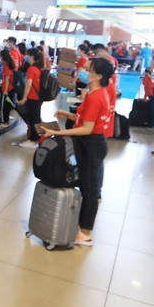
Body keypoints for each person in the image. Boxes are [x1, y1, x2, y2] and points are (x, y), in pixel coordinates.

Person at [43, 57, 115, 247]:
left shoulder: (95, 96)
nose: (84, 70)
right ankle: (81, 227)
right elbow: (85, 118)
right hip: (90, 142)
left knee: (90, 190)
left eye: (88, 69)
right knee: (85, 186)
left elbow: (87, 129)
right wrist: (68, 115)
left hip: (92, 144)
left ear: (98, 76)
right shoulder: (97, 93)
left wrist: (57, 132)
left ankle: (85, 234)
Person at [16, 47, 44, 148]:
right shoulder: (39, 68)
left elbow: (28, 85)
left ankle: (33, 140)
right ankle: (38, 138)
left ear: (31, 56)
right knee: (36, 118)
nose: (26, 58)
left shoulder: (32, 69)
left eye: (27, 56)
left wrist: (24, 98)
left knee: (33, 120)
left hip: (33, 98)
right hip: (39, 97)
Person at [0, 49, 17, 129]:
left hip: (7, 90)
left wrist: (5, 91)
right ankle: (4, 120)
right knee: (6, 106)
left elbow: (7, 79)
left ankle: (4, 121)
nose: (0, 59)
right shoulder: (9, 65)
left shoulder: (7, 67)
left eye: (0, 57)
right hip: (9, 89)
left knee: (4, 106)